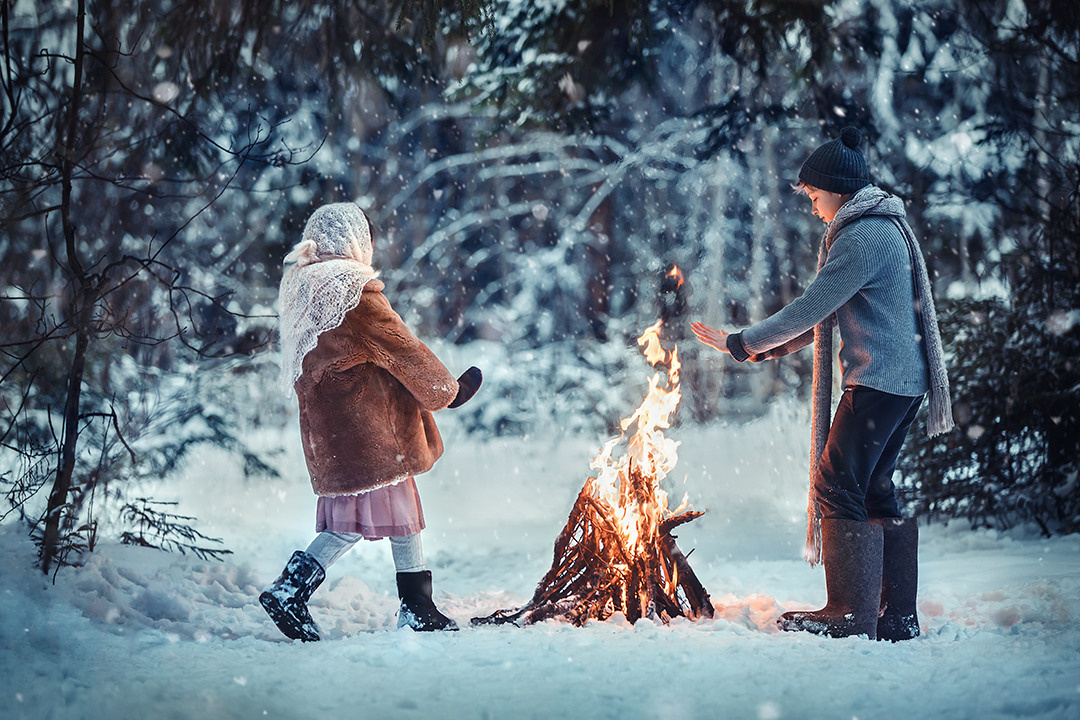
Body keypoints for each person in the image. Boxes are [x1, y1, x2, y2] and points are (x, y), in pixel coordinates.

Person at [690, 127, 953, 641]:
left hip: (879, 380)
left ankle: (848, 613)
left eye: (814, 196)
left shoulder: (862, 236)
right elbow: (822, 317)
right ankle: (894, 615)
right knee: (872, 487)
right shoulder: (884, 227)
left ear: (836, 188)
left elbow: (811, 307)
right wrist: (757, 346)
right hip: (902, 382)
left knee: (835, 482)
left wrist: (742, 341)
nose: (812, 207)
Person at [260, 202, 482, 641]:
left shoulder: (299, 287)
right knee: (380, 514)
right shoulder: (352, 291)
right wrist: (446, 392)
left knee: (360, 516)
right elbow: (402, 348)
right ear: (353, 241)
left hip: (329, 430)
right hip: (371, 430)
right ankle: (404, 605)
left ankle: (403, 603)